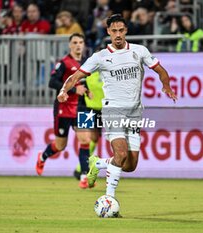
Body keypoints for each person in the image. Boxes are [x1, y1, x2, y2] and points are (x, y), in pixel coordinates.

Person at [57, 14, 177, 198]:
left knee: (130, 165)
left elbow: (160, 70)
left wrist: (166, 85)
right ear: (108, 32)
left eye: (121, 30)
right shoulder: (100, 57)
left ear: (126, 30)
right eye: (114, 31)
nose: (118, 34)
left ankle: (97, 164)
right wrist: (64, 91)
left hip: (135, 113)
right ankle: (108, 199)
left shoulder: (139, 51)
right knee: (120, 154)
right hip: (113, 110)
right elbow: (76, 77)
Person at [35, 33, 93, 189]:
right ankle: (43, 156)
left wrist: (87, 91)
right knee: (61, 145)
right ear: (70, 45)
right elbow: (52, 82)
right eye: (75, 42)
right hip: (64, 107)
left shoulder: (88, 63)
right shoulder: (64, 63)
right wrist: (74, 89)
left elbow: (86, 82)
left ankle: (84, 176)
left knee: (85, 140)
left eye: (81, 42)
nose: (78, 45)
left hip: (82, 107)